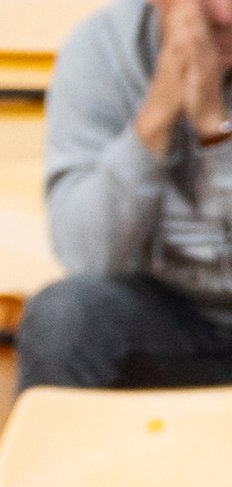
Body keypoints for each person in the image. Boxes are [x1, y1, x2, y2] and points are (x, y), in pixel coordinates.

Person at [17, 0, 232, 391]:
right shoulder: (101, 49)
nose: (224, 15)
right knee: (64, 317)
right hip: (169, 320)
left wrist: (215, 132)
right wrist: (152, 125)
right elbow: (86, 257)